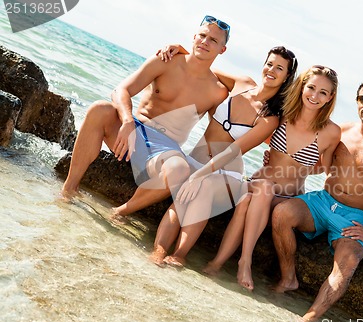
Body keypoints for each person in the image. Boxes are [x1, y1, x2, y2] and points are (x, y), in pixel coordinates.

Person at [271, 79, 363, 322]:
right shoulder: (340, 132)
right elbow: (317, 166)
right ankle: (288, 279)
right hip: (321, 202)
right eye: (362, 99)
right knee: (281, 214)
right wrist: (278, 161)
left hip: (353, 218)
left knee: (347, 263)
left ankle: (307, 321)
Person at [59, 15, 230, 213]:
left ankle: (119, 213)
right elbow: (120, 90)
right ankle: (68, 189)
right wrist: (127, 120)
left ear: (222, 50)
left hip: (164, 151)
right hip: (131, 133)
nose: (205, 42)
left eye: (213, 40)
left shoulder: (217, 91)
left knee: (179, 170)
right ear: (194, 36)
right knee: (99, 109)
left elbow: (216, 135)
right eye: (202, 35)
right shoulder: (165, 59)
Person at [149, 45, 298, 267]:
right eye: (269, 64)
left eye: (279, 68)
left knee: (202, 188)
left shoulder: (270, 118)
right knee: (183, 196)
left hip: (226, 173)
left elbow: (234, 150)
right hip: (196, 160)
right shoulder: (243, 84)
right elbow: (205, 68)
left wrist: (198, 175)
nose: (271, 70)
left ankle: (179, 254)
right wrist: (180, 50)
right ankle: (158, 251)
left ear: (287, 77)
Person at [203, 65, 342, 291]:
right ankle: (239, 262)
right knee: (256, 193)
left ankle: (220, 263)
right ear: (302, 87)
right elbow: (253, 133)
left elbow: (323, 168)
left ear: (330, 98)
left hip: (287, 196)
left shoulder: (331, 132)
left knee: (253, 198)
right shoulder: (283, 114)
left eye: (323, 93)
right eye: (311, 88)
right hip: (261, 184)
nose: (315, 96)